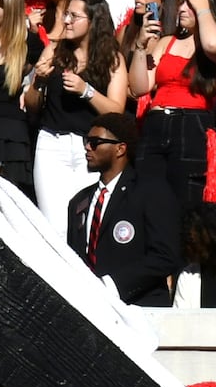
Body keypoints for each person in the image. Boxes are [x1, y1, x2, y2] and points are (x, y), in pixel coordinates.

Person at [64, 115, 182, 305]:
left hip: (137, 307)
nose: (87, 147)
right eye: (87, 141)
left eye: (95, 142)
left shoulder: (151, 191)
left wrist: (111, 285)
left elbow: (165, 256)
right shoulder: (79, 201)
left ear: (120, 149)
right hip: (89, 309)